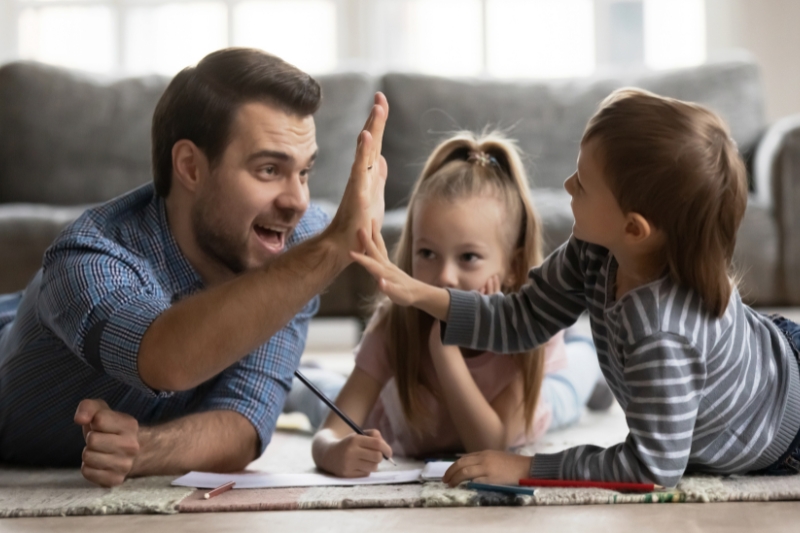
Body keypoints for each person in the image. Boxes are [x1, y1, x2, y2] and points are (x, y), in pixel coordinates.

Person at [351, 88, 800, 488]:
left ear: (635, 228)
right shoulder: (595, 250)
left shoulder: (662, 333)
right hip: (779, 352)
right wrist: (416, 293)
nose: (567, 186)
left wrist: (526, 467)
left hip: (785, 430)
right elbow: (521, 318)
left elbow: (651, 468)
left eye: (582, 184)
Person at [0, 47, 390, 488]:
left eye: (303, 173)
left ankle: (304, 384)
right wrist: (335, 248)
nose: (297, 201)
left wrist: (144, 449)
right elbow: (165, 357)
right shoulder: (85, 260)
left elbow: (245, 419)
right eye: (268, 169)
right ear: (190, 166)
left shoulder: (298, 246)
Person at [300, 132, 605, 478]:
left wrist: (445, 350)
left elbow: (489, 445)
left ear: (512, 267)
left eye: (469, 257)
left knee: (571, 388)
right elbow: (328, 433)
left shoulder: (529, 330)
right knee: (318, 394)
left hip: (533, 407)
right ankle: (301, 377)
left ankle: (587, 349)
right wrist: (332, 451)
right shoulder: (395, 324)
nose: (444, 276)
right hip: (399, 422)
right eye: (427, 253)